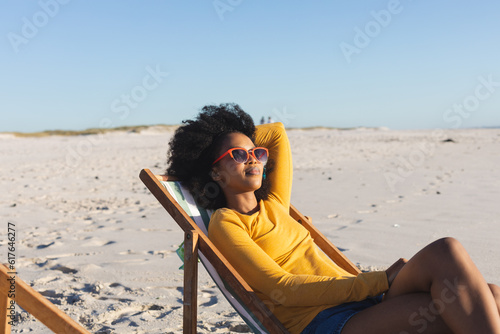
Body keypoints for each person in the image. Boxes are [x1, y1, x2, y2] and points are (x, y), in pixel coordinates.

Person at [166, 103, 500, 334]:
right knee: (457, 309)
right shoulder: (227, 224)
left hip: (362, 300)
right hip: (325, 321)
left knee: (473, 278)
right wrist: (380, 281)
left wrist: (234, 133)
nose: (252, 159)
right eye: (238, 155)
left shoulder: (275, 204)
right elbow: (283, 290)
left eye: (256, 153)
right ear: (215, 172)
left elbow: (278, 134)